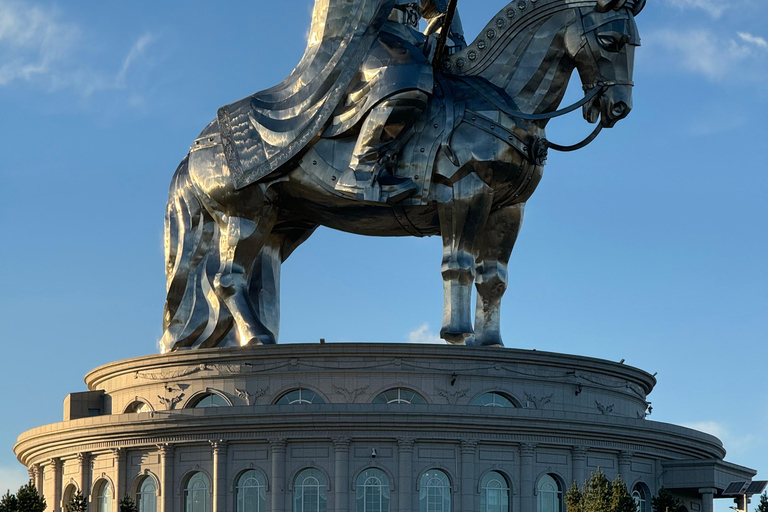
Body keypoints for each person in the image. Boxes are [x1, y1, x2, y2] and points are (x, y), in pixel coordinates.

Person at [332, 0, 467, 200]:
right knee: (408, 73)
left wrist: (451, 36)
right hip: (368, 35)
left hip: (411, 38)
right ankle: (362, 168)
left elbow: (440, 9)